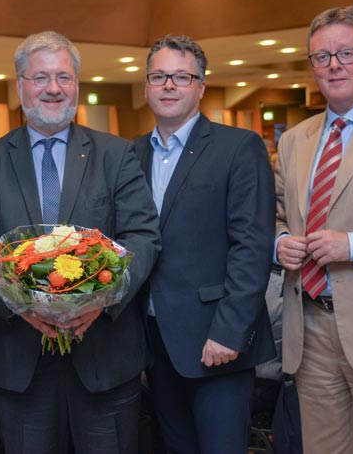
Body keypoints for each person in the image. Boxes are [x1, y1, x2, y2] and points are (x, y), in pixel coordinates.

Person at [0, 30, 161, 453]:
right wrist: (20, 303)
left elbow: (143, 237)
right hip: (19, 362)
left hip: (105, 358)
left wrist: (101, 299)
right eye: (40, 77)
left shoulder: (116, 155)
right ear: (20, 86)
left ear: (77, 84)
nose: (53, 88)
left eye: (64, 77)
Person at [133, 34, 276, 454]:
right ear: (146, 87)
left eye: (181, 76)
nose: (169, 85)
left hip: (217, 341)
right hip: (154, 342)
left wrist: (230, 332)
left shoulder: (238, 148)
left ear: (201, 86)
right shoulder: (130, 155)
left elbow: (251, 246)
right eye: (159, 76)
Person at [275, 5, 353, 454]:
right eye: (321, 57)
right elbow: (280, 215)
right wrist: (280, 242)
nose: (334, 65)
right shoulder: (294, 139)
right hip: (310, 332)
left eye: (346, 52)